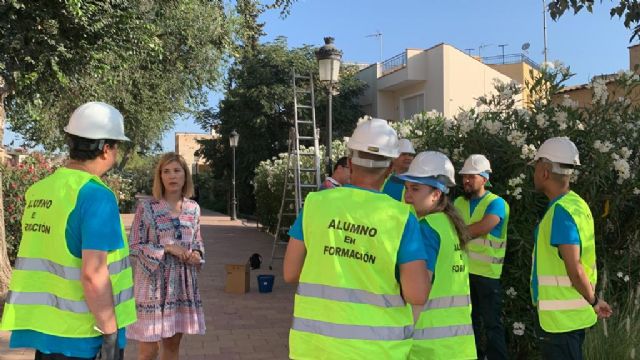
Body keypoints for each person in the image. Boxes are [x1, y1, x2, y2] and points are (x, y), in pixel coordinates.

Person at [283, 118, 430, 359]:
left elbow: (290, 272)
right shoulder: (401, 217)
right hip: (378, 348)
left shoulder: (315, 204)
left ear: (350, 162)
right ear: (391, 167)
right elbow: (417, 294)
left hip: (315, 346)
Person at [0, 102, 136, 359]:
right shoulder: (96, 196)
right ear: (106, 149)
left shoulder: (39, 191)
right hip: (84, 337)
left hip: (46, 332)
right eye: (116, 146)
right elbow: (93, 275)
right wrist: (109, 335)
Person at [530, 137, 612, 359]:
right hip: (571, 316)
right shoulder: (577, 204)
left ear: (545, 171)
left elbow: (574, 267)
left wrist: (594, 301)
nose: (534, 173)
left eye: (536, 166)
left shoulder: (561, 213)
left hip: (559, 322)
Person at [397, 151, 476, 359]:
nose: (407, 196)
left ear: (437, 193)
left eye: (415, 189)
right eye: (406, 188)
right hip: (459, 346)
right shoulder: (451, 225)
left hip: (428, 348)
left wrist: (400, 338)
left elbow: (419, 292)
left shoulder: (427, 228)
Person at [127, 152, 206, 360]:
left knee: (172, 347)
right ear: (160, 176)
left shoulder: (193, 208)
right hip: (151, 286)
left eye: (177, 171)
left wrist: (197, 254)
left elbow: (197, 241)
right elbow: (134, 246)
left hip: (180, 286)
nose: (172, 176)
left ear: (185, 175)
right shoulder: (146, 208)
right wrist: (167, 248)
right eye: (166, 171)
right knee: (148, 351)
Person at [453, 154, 509, 360]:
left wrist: (456, 233)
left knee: (492, 324)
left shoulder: (497, 204)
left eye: (471, 176)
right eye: (464, 176)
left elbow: (484, 226)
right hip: (462, 273)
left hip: (487, 275)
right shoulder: (458, 201)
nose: (466, 180)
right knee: (469, 322)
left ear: (484, 179)